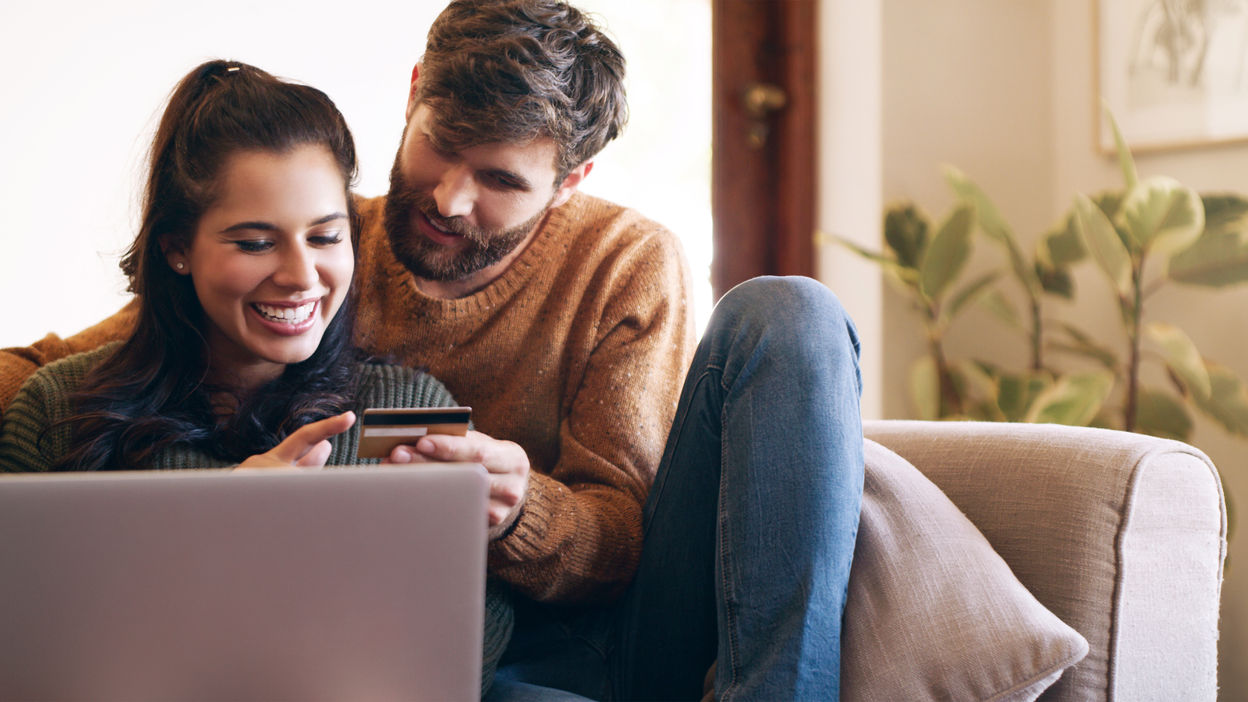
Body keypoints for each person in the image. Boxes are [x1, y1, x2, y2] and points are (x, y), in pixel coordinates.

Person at [0, 1, 865, 700]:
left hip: (616, 622)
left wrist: (521, 507)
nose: (449, 200)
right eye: (440, 147)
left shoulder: (626, 265)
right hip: (466, 657)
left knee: (789, 312)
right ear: (414, 93)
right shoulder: (329, 248)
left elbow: (625, 540)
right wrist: (212, 518)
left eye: (499, 181)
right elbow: (101, 363)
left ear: (569, 182)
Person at [0, 59, 513, 697]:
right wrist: (212, 532)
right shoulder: (57, 412)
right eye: (254, 243)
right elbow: (28, 651)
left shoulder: (403, 410)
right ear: (176, 249)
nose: (301, 275)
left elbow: (468, 629)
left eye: (326, 236)